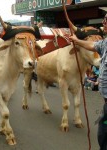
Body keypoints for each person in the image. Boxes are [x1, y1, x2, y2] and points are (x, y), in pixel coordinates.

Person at [70, 14, 107, 150]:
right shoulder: (105, 43)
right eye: (103, 20)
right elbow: (92, 45)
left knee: (104, 133)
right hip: (105, 101)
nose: (103, 23)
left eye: (106, 20)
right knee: (103, 134)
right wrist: (77, 40)